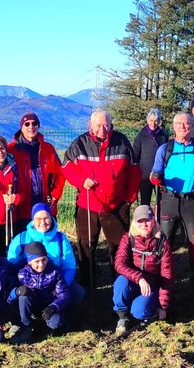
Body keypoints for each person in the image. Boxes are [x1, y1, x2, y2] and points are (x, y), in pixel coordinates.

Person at [62, 110, 140, 292]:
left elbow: (135, 171)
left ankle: (121, 284)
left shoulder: (121, 142)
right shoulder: (79, 144)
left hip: (116, 205)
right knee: (86, 246)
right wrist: (82, 181)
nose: (102, 129)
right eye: (98, 125)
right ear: (90, 124)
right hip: (88, 205)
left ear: (111, 125)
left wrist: (130, 198)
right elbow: (66, 167)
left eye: (106, 125)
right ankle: (88, 286)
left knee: (119, 247)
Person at [150, 112, 194, 297]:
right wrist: (155, 177)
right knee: (165, 242)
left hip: (192, 200)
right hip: (169, 200)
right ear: (173, 126)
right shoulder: (165, 149)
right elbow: (154, 172)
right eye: (179, 123)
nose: (182, 127)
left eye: (186, 124)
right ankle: (164, 285)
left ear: (192, 126)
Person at [7, 203, 84, 307]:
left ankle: (62, 317)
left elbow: (69, 267)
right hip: (29, 286)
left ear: (51, 218)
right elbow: (11, 266)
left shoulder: (61, 239)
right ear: (32, 220)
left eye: (46, 218)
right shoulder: (21, 238)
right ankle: (25, 318)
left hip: (54, 283)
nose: (42, 222)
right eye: (38, 219)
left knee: (78, 293)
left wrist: (60, 287)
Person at [113, 205, 172, 334]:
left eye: (147, 220)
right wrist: (139, 278)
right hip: (133, 282)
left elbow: (167, 276)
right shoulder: (128, 239)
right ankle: (122, 317)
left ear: (153, 221)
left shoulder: (162, 243)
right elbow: (119, 264)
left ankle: (147, 308)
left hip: (151, 287)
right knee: (120, 282)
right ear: (135, 223)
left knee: (139, 312)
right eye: (140, 221)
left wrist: (163, 306)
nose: (144, 224)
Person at [8, 111, 66, 229]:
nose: (31, 127)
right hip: (21, 208)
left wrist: (55, 196)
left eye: (34, 123)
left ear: (38, 126)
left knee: (48, 243)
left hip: (46, 206)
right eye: (27, 124)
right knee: (25, 244)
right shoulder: (11, 149)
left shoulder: (48, 148)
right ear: (21, 127)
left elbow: (61, 174)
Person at [10, 241, 69, 343]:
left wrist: (54, 307)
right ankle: (26, 328)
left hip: (48, 306)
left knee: (56, 321)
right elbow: (9, 298)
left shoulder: (55, 272)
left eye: (44, 260)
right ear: (29, 262)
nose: (41, 264)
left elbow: (64, 294)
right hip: (31, 305)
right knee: (23, 297)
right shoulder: (22, 274)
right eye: (37, 261)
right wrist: (17, 291)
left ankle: (47, 327)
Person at [133, 109, 168, 206]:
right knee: (145, 203)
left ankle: (159, 220)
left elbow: (166, 155)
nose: (153, 123)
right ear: (147, 121)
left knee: (161, 202)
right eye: (151, 120)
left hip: (160, 175)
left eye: (156, 120)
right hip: (144, 176)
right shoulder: (140, 136)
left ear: (159, 121)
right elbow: (135, 155)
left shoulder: (163, 136)